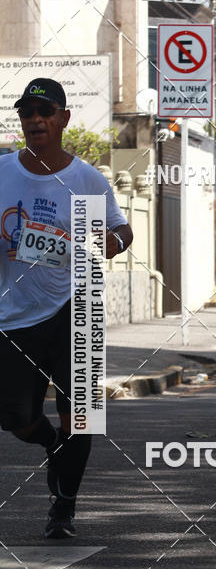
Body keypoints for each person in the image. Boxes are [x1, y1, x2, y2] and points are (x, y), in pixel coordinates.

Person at [0, 78, 133, 538]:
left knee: (82, 415)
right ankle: (49, 442)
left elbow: (120, 229)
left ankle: (63, 509)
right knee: (14, 417)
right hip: (13, 316)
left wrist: (112, 240)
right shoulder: (2, 172)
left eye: (44, 111)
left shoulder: (85, 180)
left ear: (62, 119)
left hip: (76, 309)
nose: (35, 119)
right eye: (27, 113)